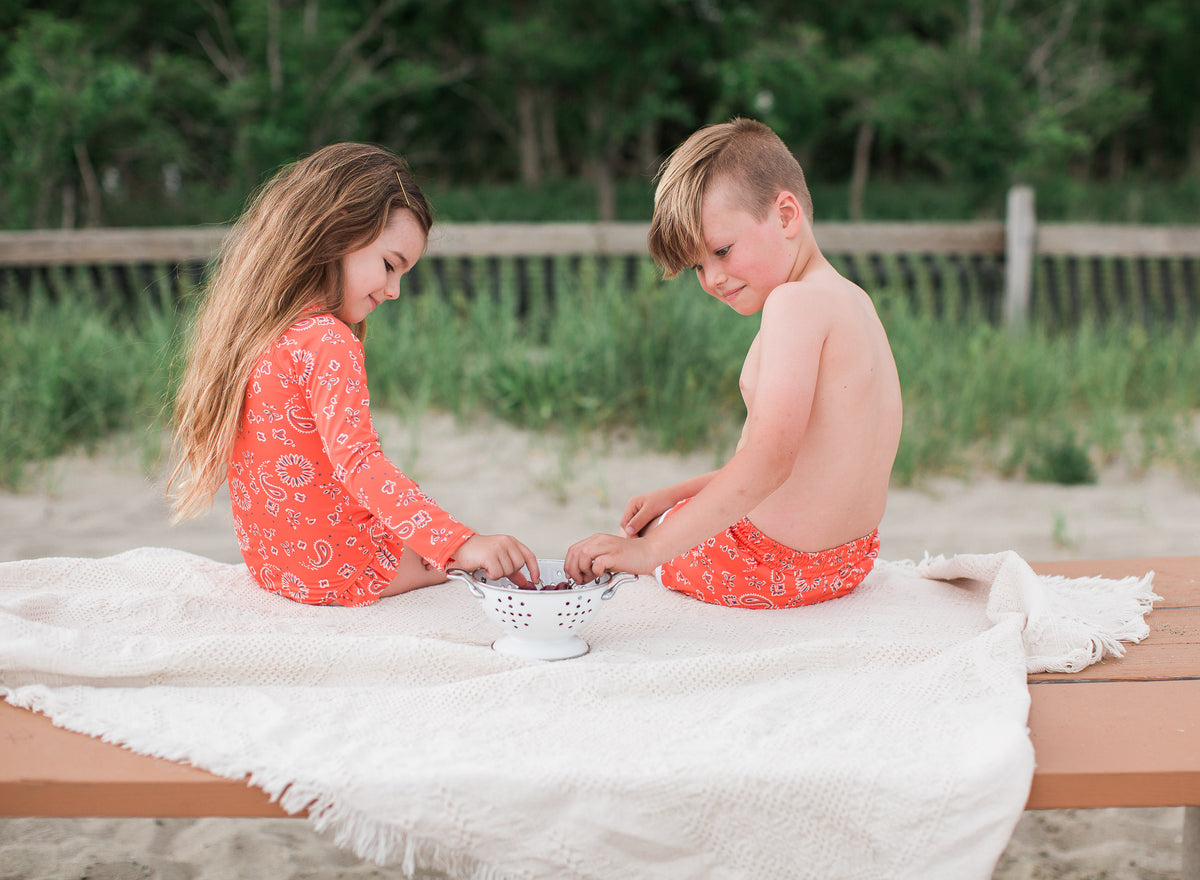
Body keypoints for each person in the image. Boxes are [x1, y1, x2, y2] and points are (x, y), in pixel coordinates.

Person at [169, 143, 538, 605]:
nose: (394, 290)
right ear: (337, 232)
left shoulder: (256, 332)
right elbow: (360, 464)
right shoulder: (327, 339)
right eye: (389, 265)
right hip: (342, 569)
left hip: (274, 567)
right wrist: (458, 544)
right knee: (453, 561)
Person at [565, 118, 902, 609]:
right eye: (699, 265)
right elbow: (805, 460)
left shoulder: (794, 304)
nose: (712, 279)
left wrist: (650, 551)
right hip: (845, 563)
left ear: (786, 215)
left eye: (722, 251)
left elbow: (770, 461)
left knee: (640, 539)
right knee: (668, 512)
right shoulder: (854, 302)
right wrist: (677, 492)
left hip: (768, 566)